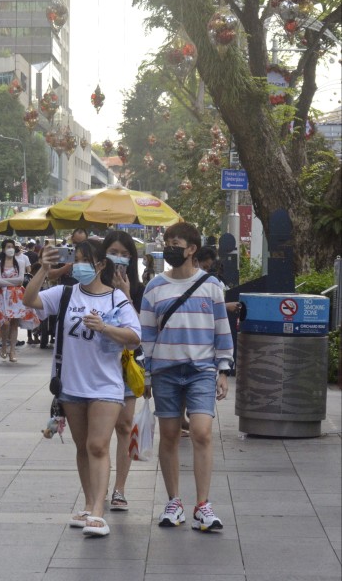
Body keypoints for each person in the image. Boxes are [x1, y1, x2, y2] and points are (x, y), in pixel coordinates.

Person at [23, 238, 142, 538]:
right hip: (71, 385)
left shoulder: (117, 299)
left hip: (106, 385)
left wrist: (105, 328)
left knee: (98, 445)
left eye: (84, 260)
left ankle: (99, 513)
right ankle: (90, 504)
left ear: (101, 265)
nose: (78, 265)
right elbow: (29, 300)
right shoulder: (64, 294)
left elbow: (134, 336)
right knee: (81, 447)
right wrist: (43, 270)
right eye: (75, 259)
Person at [140, 222, 233, 533]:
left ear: (192, 248)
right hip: (165, 370)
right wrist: (147, 375)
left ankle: (203, 505)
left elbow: (222, 329)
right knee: (168, 435)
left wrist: (223, 370)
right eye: (167, 241)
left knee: (202, 433)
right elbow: (147, 335)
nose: (170, 246)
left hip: (201, 371)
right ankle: (174, 502)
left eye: (175, 241)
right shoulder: (155, 287)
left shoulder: (211, 285)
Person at [102, 230, 146, 513]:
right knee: (100, 429)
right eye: (114, 252)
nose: (119, 258)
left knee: (124, 425)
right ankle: (99, 484)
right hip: (99, 366)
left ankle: (120, 488)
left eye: (124, 254)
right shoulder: (94, 284)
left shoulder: (141, 289)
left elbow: (141, 331)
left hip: (128, 365)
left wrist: (128, 295)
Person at [0, 238, 35, 362]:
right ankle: (4, 345)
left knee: (14, 323)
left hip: (16, 296)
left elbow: (20, 280)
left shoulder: (19, 263)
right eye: (8, 247)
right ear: (3, 249)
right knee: (5, 322)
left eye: (12, 246)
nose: (10, 249)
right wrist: (12, 282)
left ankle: (12, 350)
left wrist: (7, 282)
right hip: (2, 295)